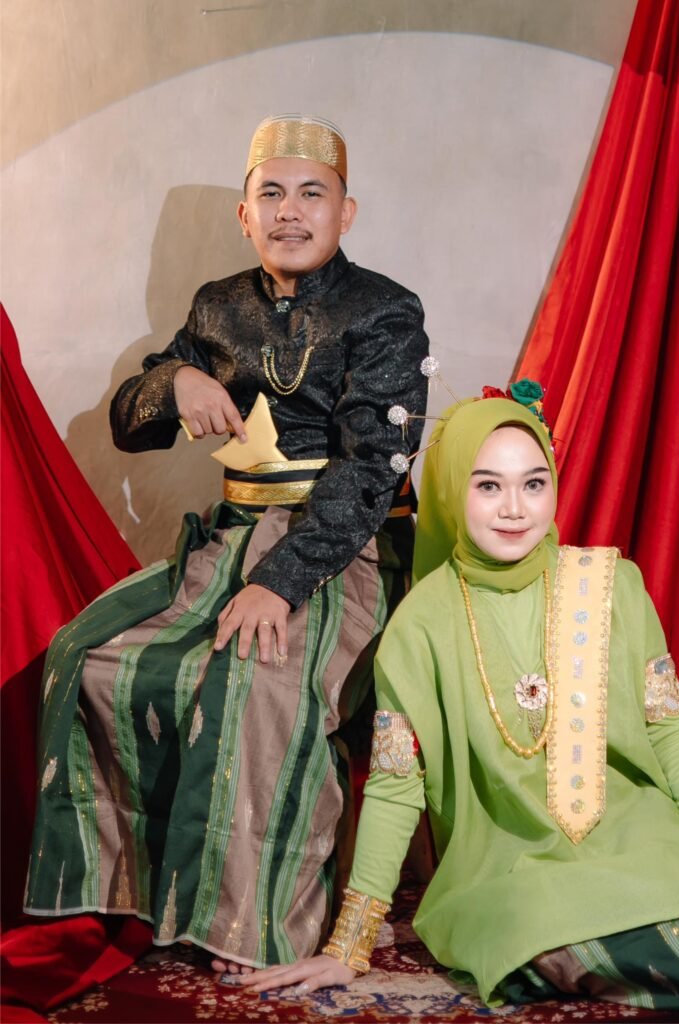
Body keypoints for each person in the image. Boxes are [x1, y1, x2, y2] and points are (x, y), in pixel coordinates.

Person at [24, 114, 429, 974]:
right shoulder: (218, 305)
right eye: (270, 194)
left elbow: (370, 473)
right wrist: (175, 379)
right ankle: (138, 893)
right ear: (245, 216)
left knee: (258, 680)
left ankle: (252, 921)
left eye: (311, 194)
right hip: (232, 542)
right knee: (83, 657)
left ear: (346, 213)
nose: (290, 211)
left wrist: (279, 582)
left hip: (346, 553)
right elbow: (129, 423)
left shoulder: (387, 310)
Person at [237, 386, 679, 1011]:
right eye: (488, 486)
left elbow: (669, 728)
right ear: (450, 491)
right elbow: (395, 784)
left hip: (637, 831)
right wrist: (348, 945)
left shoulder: (612, 586)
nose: (515, 508)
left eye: (534, 484)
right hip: (511, 866)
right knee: (537, 920)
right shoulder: (421, 625)